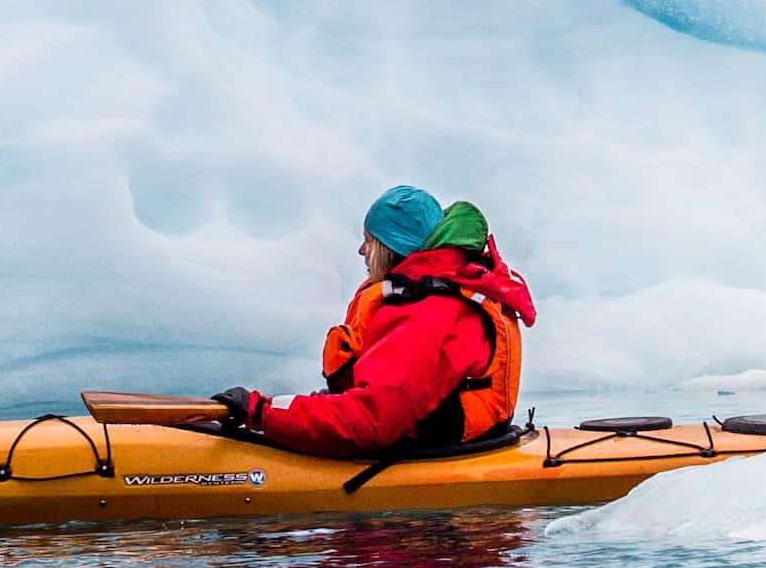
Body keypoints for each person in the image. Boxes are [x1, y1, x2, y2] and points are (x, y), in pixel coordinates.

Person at [214, 184, 533, 459]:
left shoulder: (435, 312)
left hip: (427, 462)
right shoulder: (425, 298)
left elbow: (373, 420)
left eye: (369, 240)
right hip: (415, 436)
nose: (361, 250)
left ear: (391, 246)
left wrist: (260, 412)